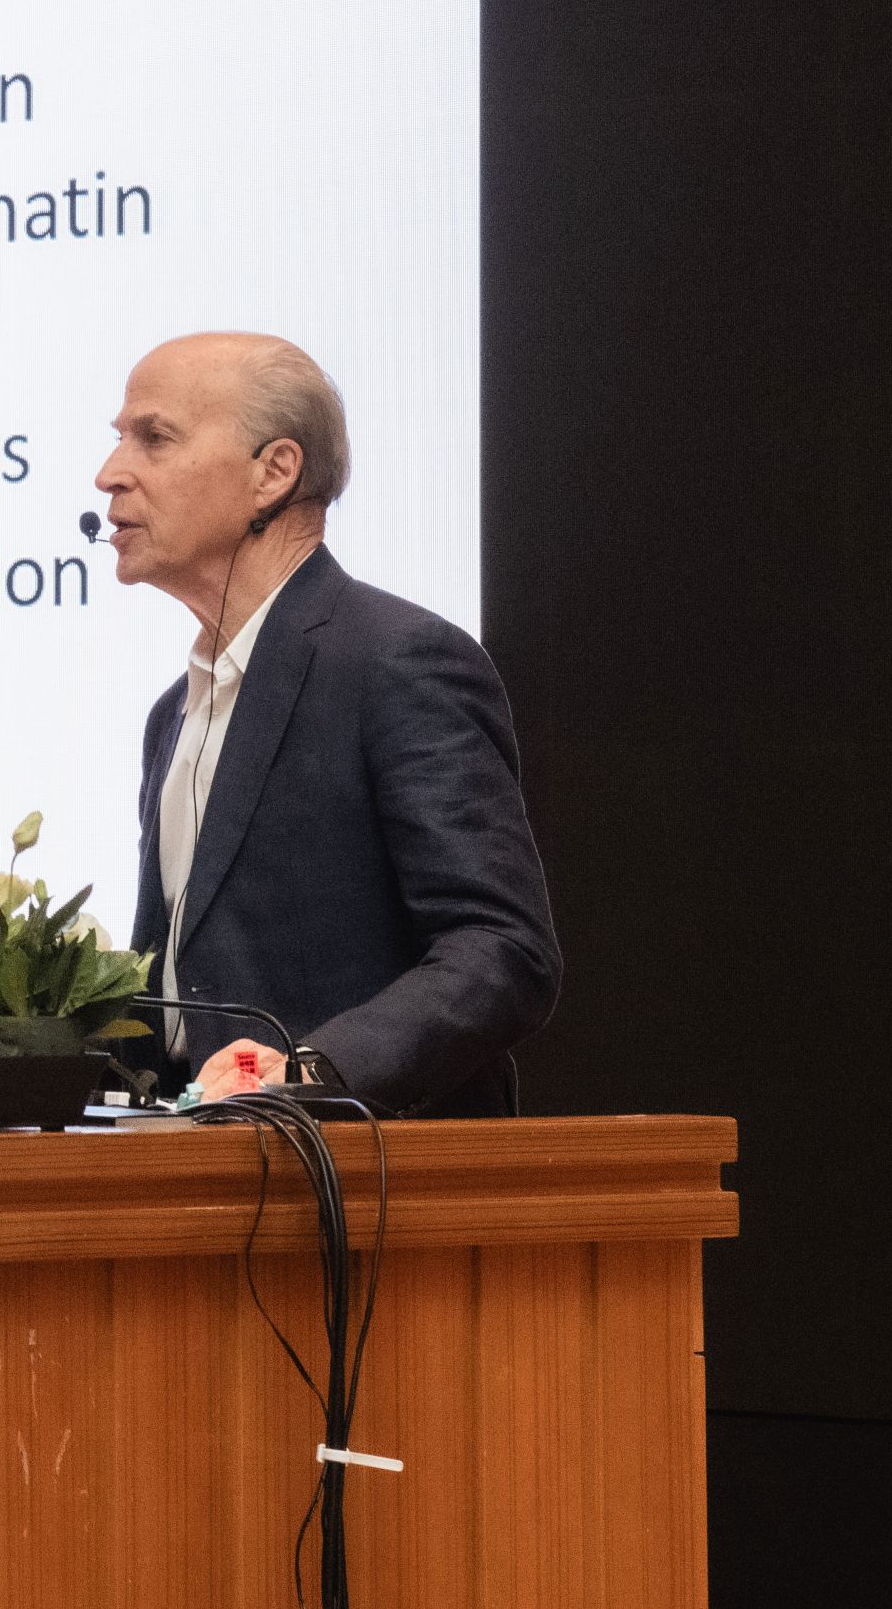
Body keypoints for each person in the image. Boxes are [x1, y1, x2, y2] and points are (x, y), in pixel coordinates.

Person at [94, 332, 560, 1115]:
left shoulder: (397, 662)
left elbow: (503, 951)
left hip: (364, 1167)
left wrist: (312, 1072)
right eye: (118, 439)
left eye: (155, 437)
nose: (110, 473)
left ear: (274, 472)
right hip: (201, 1164)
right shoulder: (172, 713)